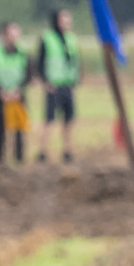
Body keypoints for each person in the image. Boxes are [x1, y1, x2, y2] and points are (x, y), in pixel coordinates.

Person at [37, 8, 80, 163]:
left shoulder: (71, 38)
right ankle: (42, 151)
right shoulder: (47, 38)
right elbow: (40, 62)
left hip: (67, 84)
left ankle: (67, 151)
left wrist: (75, 81)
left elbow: (74, 61)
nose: (68, 22)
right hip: (53, 85)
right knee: (49, 120)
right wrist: (45, 81)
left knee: (69, 120)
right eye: (64, 19)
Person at [0, 20, 29, 164]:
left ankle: (19, 159)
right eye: (12, 33)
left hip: (18, 96)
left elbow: (29, 73)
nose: (15, 36)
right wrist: (1, 91)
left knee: (19, 127)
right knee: (0, 128)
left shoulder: (23, 52)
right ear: (3, 35)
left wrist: (19, 90)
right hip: (1, 96)